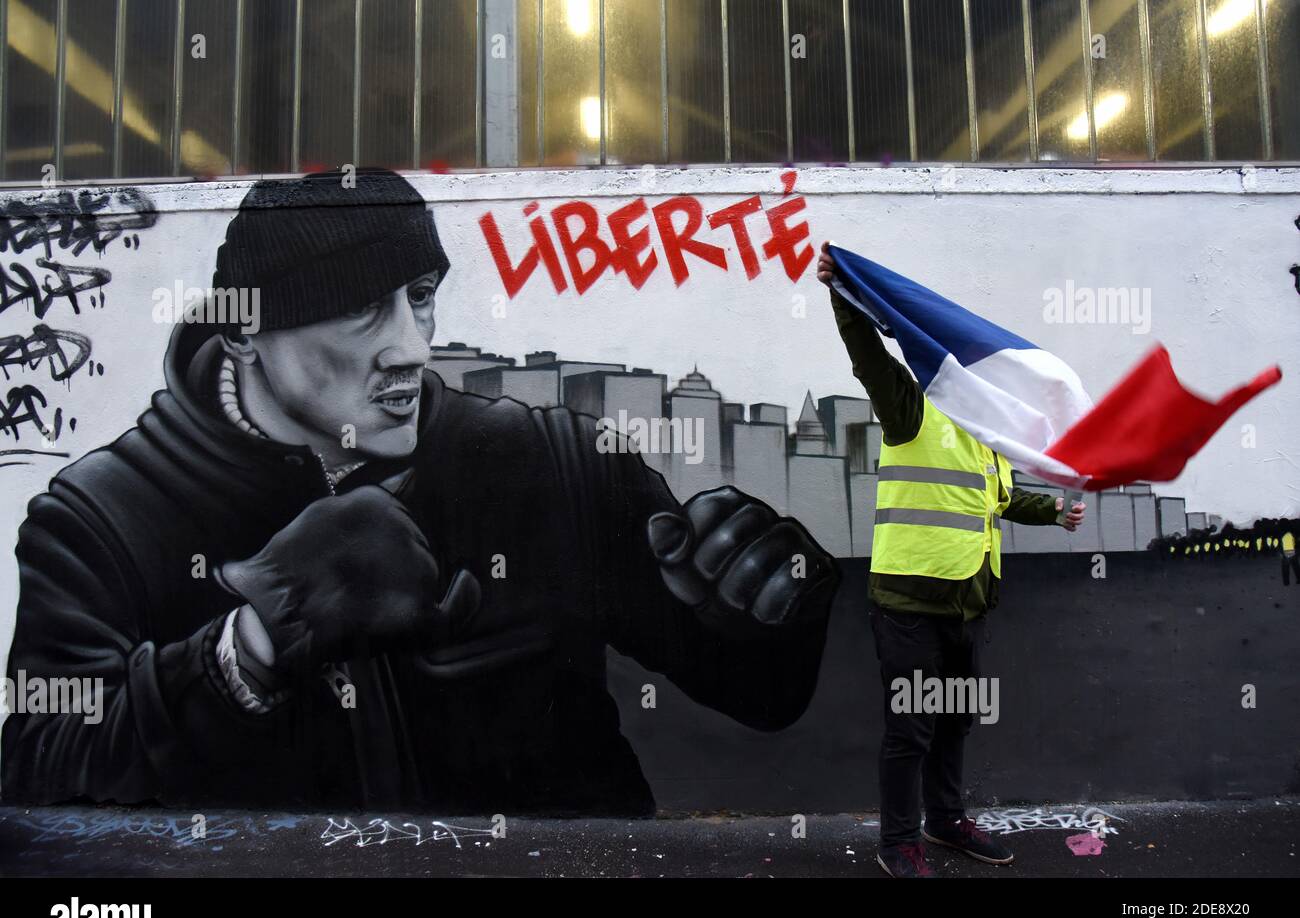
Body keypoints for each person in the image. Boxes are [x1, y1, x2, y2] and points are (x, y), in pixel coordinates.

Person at [1, 169, 838, 814]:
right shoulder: (101, 518)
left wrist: (768, 592)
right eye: (366, 309)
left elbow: (761, 695)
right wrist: (251, 644)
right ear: (248, 333)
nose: (412, 347)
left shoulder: (551, 459)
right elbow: (41, 777)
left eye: (421, 299)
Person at [816, 241, 1086, 877]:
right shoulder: (913, 412)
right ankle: (898, 842)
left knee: (955, 720)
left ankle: (945, 822)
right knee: (910, 729)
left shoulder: (990, 439)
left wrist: (1051, 512)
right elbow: (869, 361)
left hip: (969, 602)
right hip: (909, 602)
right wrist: (844, 291)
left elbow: (994, 500)